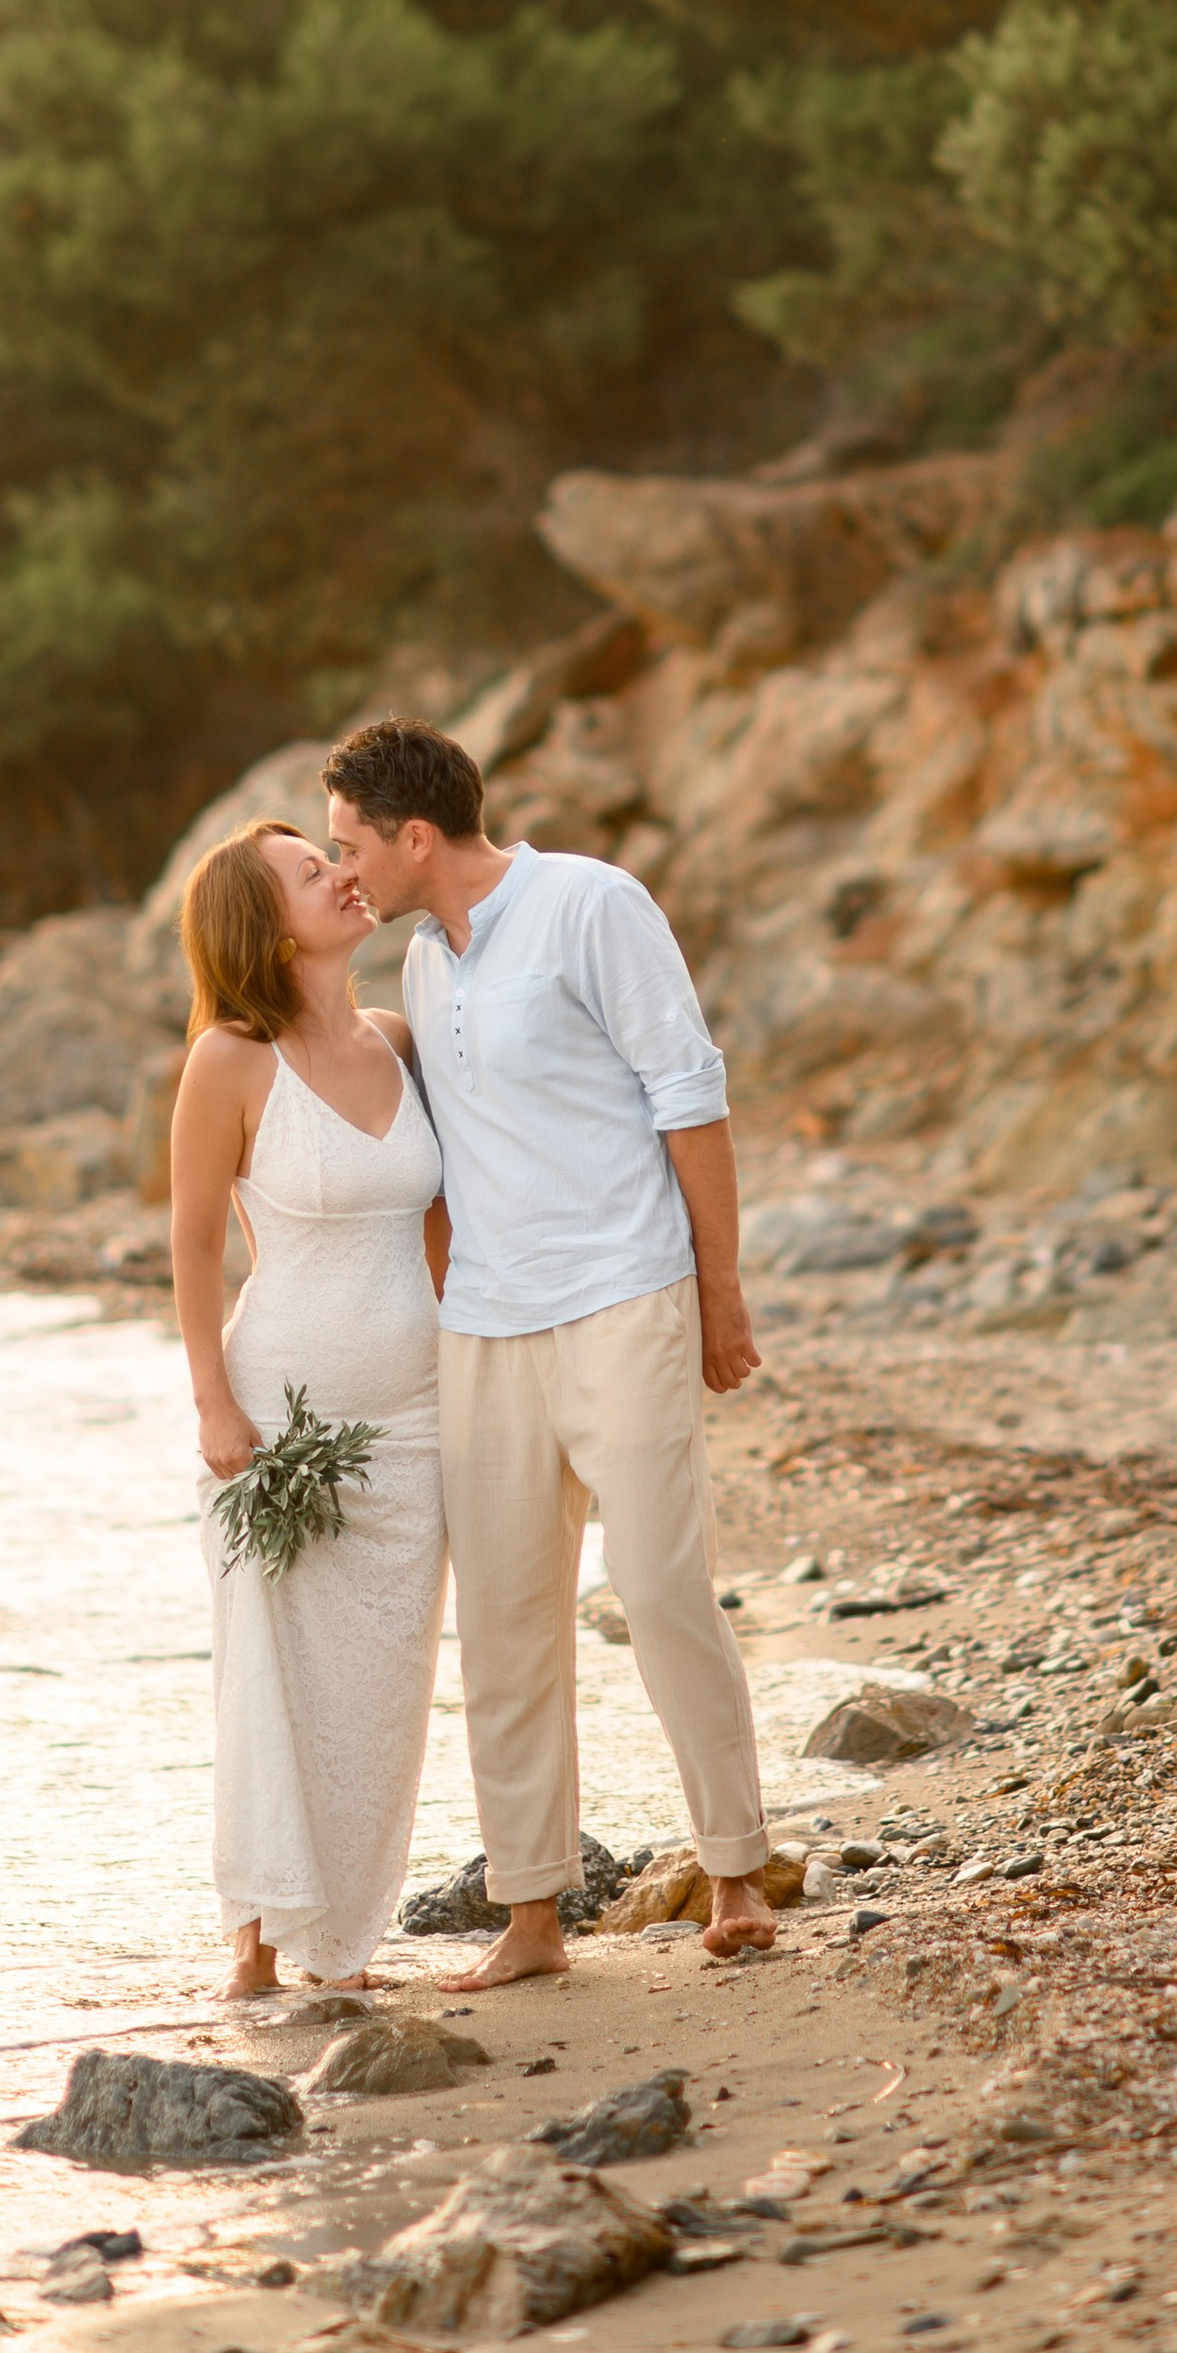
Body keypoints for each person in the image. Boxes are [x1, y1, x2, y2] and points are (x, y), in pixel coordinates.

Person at [321, 715, 777, 1984]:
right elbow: (446, 1161)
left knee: (661, 1580)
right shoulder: (418, 960)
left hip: (626, 1293)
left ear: (417, 835)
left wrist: (718, 1292)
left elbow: (690, 1094)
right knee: (508, 1624)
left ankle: (734, 1870)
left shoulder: (591, 901)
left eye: (351, 843)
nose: (341, 867)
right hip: (488, 1325)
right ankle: (530, 1912)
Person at [169, 818, 448, 2000]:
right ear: (262, 921)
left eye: (331, 854)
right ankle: (256, 1942)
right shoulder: (230, 1059)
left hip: (422, 1414)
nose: (341, 872)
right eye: (307, 869)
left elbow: (442, 1226)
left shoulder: (396, 1034)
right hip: (280, 1413)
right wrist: (214, 1407)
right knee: (270, 1671)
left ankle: (343, 1938)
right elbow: (189, 1247)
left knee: (382, 1679)